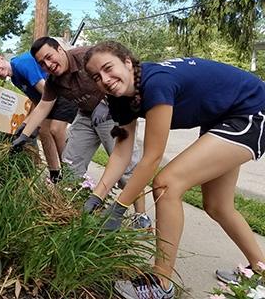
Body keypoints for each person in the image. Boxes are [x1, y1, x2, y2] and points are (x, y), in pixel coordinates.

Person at [83, 40, 265, 299]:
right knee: (217, 205)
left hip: (252, 110)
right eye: (96, 77)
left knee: (167, 184)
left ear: (127, 62)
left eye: (108, 68)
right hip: (222, 117)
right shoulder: (119, 97)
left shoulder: (156, 83)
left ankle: (160, 282)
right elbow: (122, 152)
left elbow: (152, 157)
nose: (105, 79)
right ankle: (260, 272)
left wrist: (118, 209)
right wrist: (96, 196)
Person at [12, 36, 151, 229]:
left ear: (60, 49)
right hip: (85, 115)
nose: (49, 65)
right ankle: (75, 212)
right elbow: (43, 106)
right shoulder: (53, 81)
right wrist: (24, 135)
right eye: (42, 63)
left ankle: (140, 215)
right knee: (70, 166)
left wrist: (107, 101)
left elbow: (119, 69)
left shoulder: (86, 56)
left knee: (126, 168)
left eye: (50, 57)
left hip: (112, 112)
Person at [0, 51, 77, 183]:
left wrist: (28, 131)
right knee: (44, 133)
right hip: (48, 100)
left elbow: (47, 93)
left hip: (62, 91)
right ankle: (55, 175)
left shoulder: (21, 64)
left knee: (55, 129)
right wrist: (24, 125)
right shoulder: (15, 78)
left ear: (1, 58)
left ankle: (71, 174)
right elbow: (36, 101)